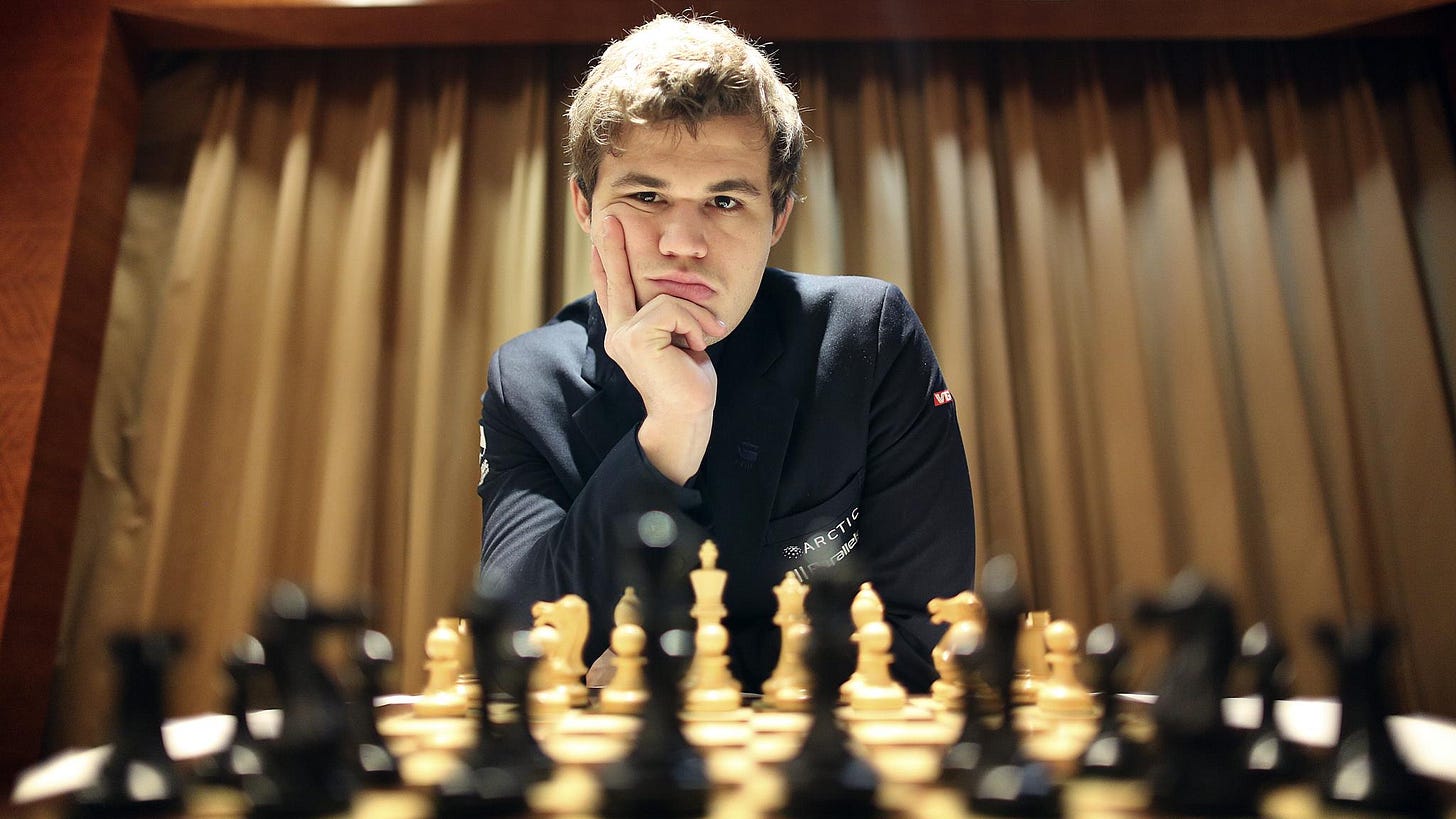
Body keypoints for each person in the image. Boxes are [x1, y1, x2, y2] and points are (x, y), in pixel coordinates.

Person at [476, 14, 974, 692]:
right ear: (585, 207)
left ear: (778, 218)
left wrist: (697, 676)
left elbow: (926, 637)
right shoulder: (530, 381)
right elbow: (517, 644)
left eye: (725, 200)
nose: (684, 240)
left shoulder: (867, 340)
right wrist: (668, 432)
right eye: (647, 195)